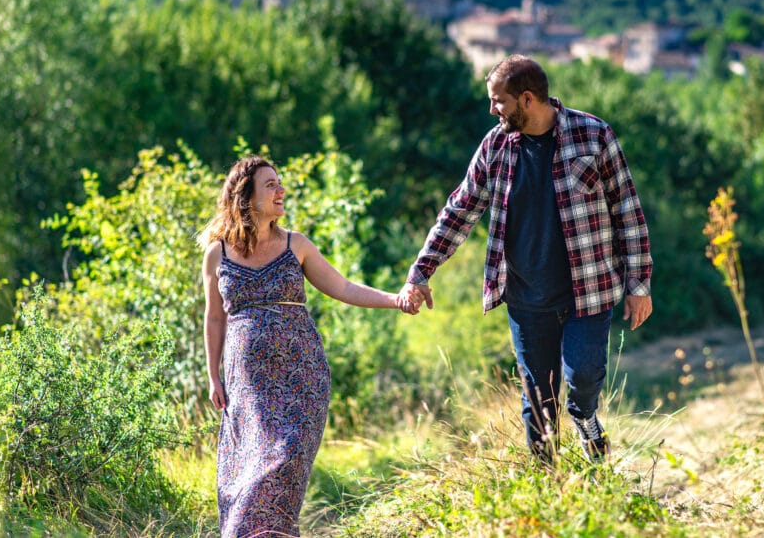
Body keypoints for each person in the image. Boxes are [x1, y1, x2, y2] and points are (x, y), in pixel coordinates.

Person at [398, 54, 652, 463]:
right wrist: (421, 271)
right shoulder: (496, 145)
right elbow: (460, 211)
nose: (492, 109)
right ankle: (544, 486)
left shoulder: (594, 135)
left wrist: (639, 285)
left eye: (498, 101)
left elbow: (628, 212)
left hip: (587, 291)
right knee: (538, 399)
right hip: (526, 297)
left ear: (528, 99)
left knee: (583, 377)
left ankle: (586, 419)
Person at [200, 155, 421, 538]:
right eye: (270, 184)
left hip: (303, 377)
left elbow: (344, 287)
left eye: (279, 183)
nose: (280, 190)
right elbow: (214, 317)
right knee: (251, 467)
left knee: (286, 460)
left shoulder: (295, 245)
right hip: (248, 386)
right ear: (245, 196)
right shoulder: (217, 254)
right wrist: (212, 376)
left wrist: (396, 298)